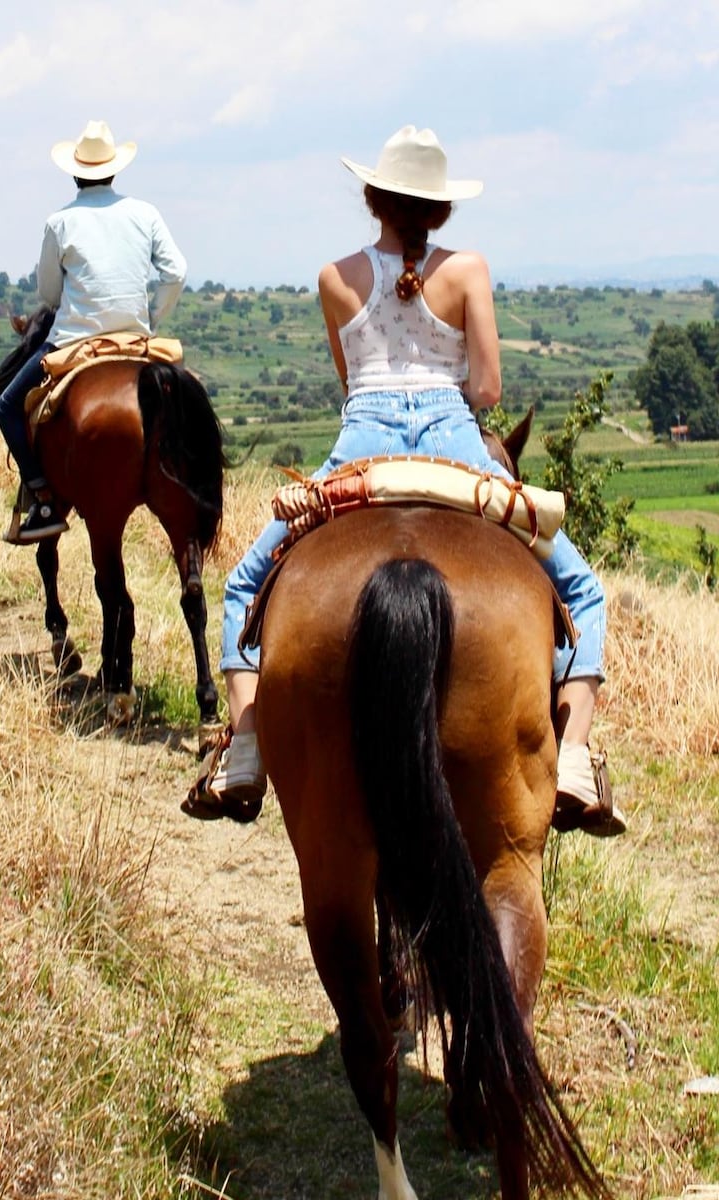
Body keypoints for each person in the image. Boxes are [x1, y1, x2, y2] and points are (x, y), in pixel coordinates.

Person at [188, 125, 625, 837]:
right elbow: (486, 389)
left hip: (363, 445)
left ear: (373, 197)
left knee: (245, 584)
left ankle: (245, 748)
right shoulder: (469, 270)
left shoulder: (334, 277)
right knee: (580, 589)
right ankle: (572, 759)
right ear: (441, 209)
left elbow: (346, 384)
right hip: (458, 445)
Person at [0, 120, 187, 543]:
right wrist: (152, 319)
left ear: (74, 172)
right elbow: (177, 271)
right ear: (115, 169)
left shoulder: (60, 222)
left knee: (7, 406)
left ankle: (42, 497)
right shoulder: (145, 213)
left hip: (72, 340)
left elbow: (48, 292)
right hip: (136, 338)